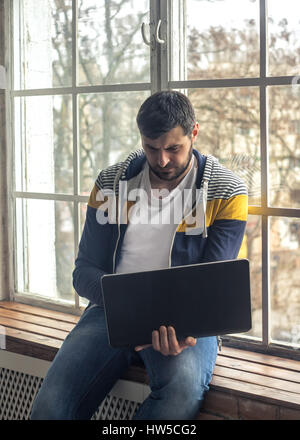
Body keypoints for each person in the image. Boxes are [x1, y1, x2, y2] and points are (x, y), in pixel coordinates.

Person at [30, 91, 248, 420]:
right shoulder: (110, 183)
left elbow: (211, 285)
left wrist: (179, 324)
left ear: (194, 133)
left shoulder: (225, 190)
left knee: (180, 396)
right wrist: (130, 309)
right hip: (110, 312)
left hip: (186, 323)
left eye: (173, 148)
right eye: (151, 148)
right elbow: (84, 271)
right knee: (50, 408)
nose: (161, 160)